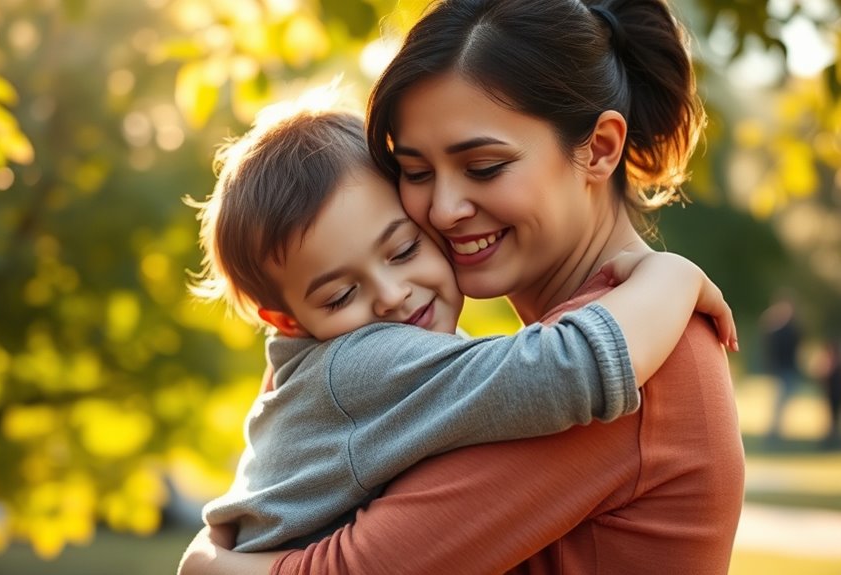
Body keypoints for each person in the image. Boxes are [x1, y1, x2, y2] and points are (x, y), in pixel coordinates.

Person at [180, 0, 745, 573]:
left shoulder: (644, 356)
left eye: (483, 167)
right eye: (417, 172)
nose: (444, 209)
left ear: (598, 148)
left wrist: (209, 564)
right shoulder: (635, 321)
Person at [759, 291, 803, 442]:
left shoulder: (792, 328)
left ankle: (776, 431)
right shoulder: (776, 329)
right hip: (781, 369)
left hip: (789, 368)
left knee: (783, 402)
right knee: (779, 402)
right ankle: (773, 432)